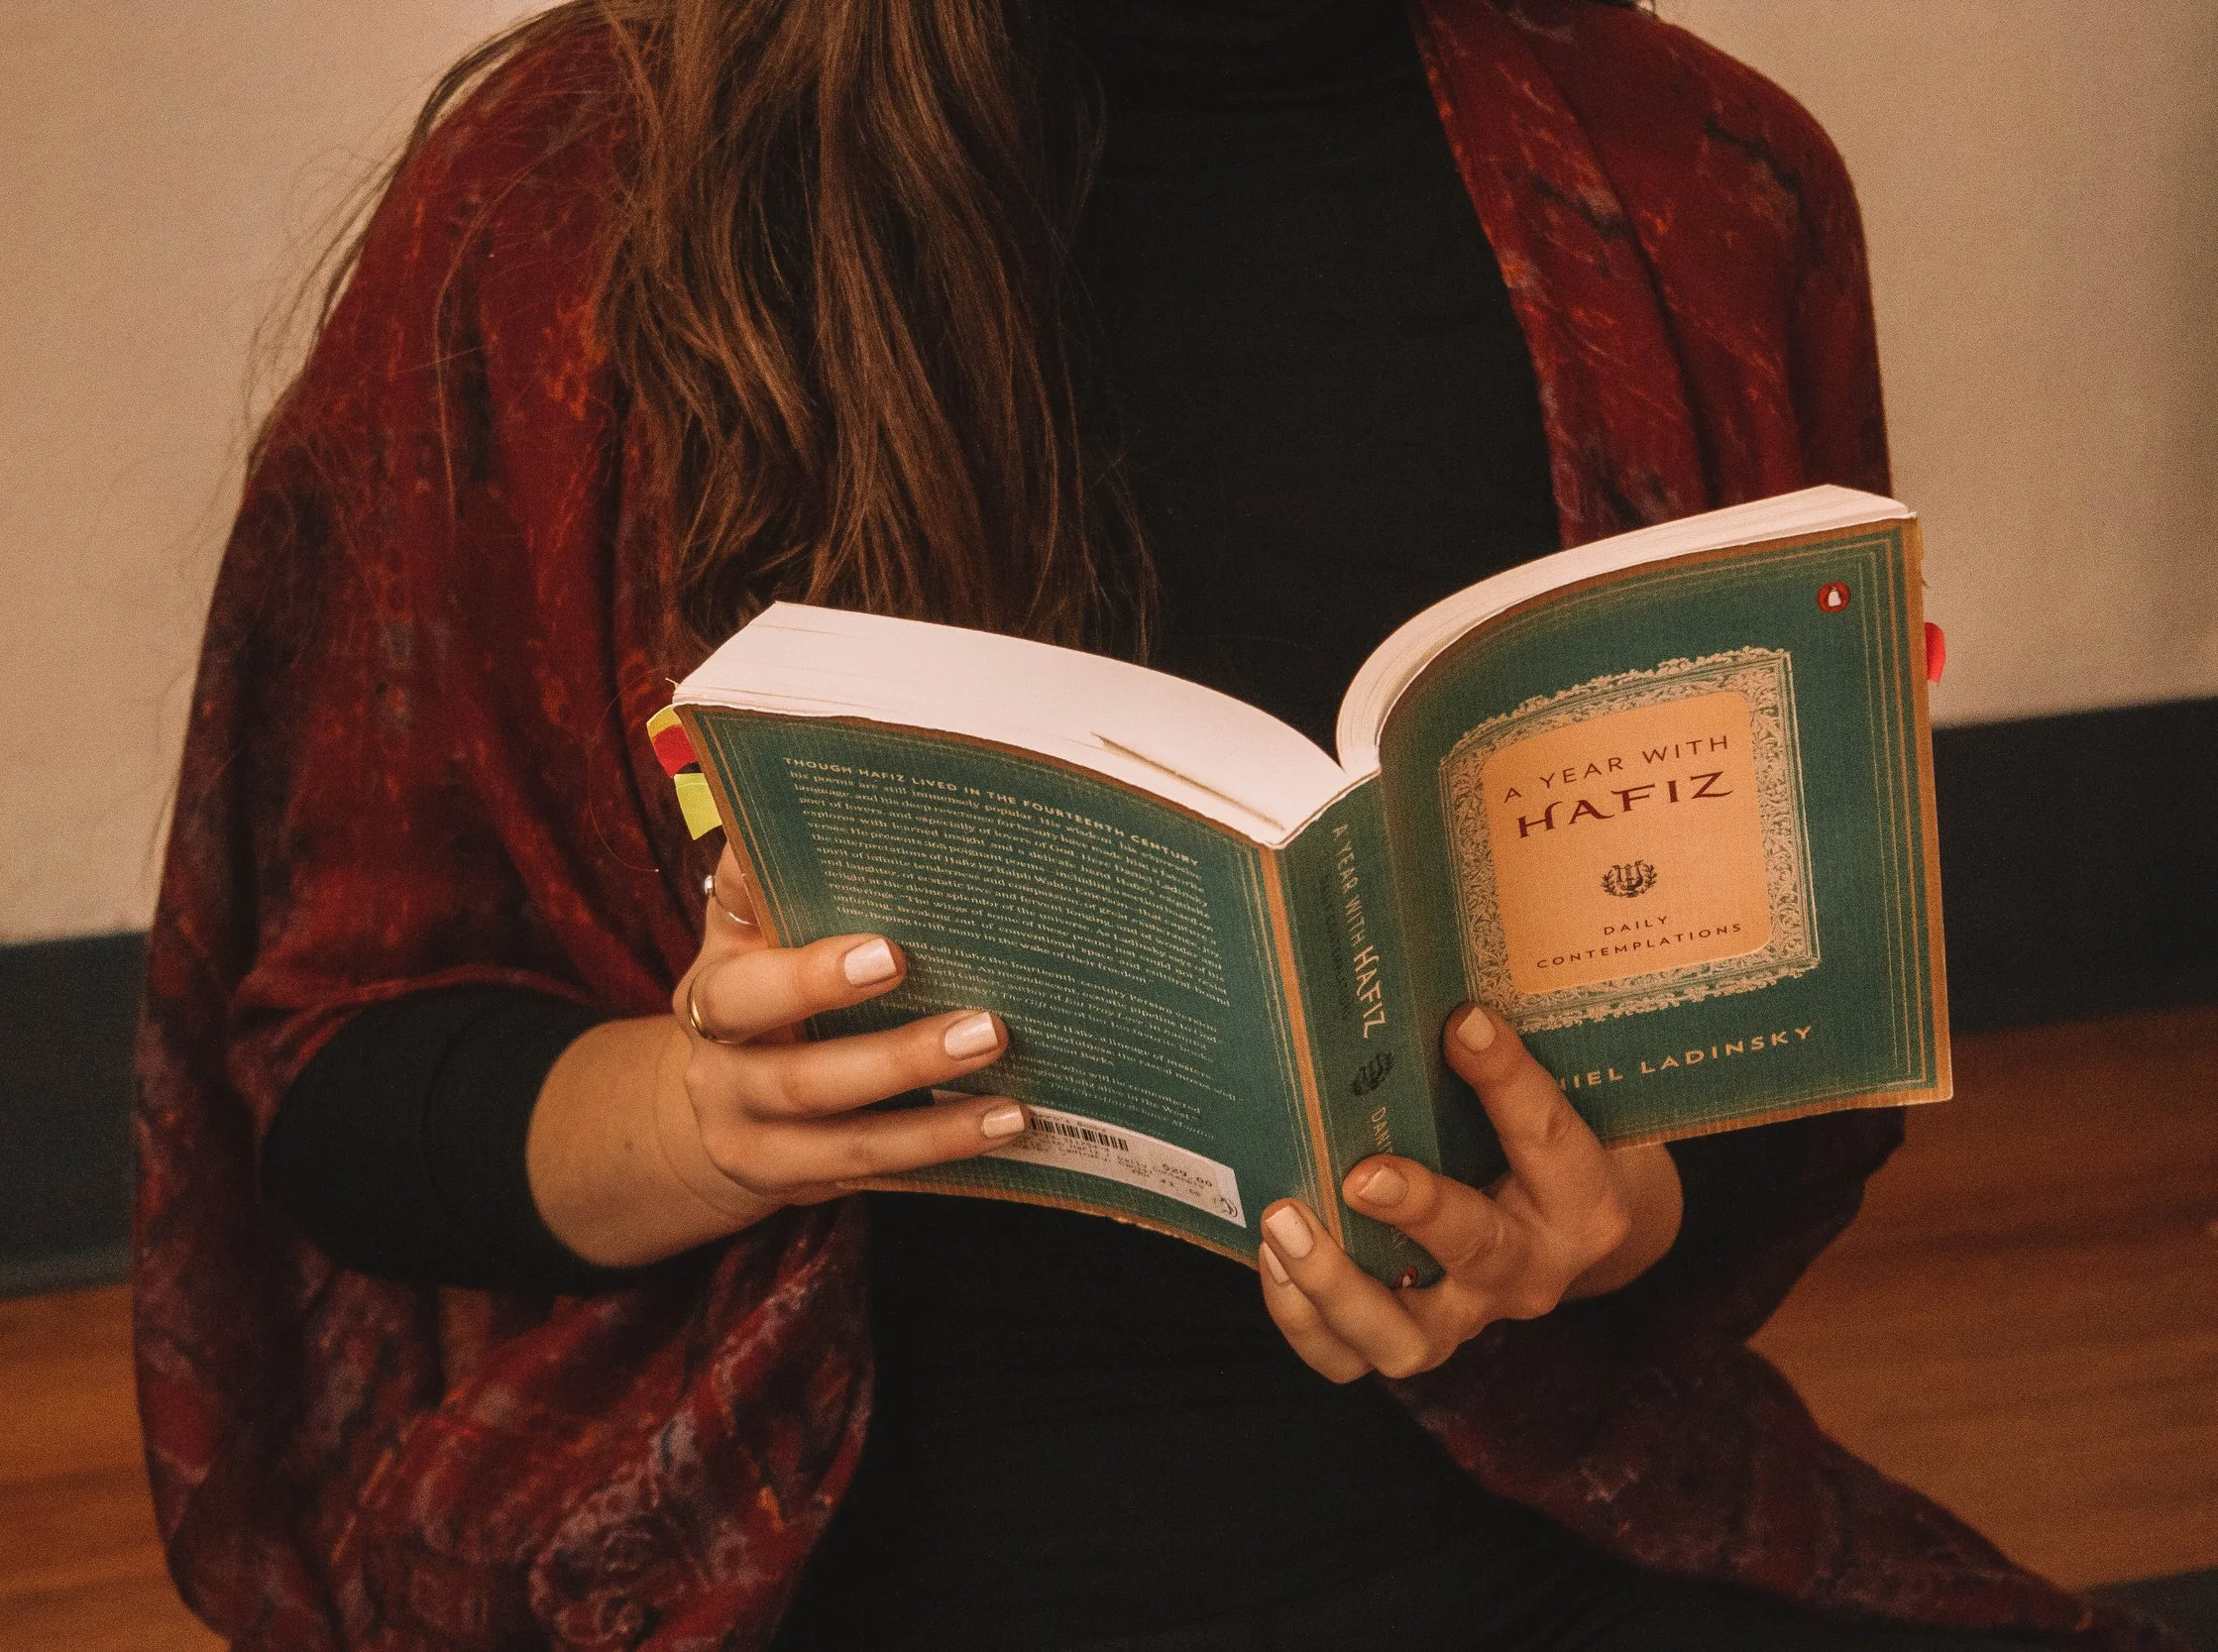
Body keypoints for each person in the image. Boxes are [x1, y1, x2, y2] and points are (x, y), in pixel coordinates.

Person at [133, 3, 2179, 1649]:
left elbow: (1786, 1091)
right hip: (772, 1579)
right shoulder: (566, 204)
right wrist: (698, 1113)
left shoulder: (1705, 191)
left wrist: (1607, 1219)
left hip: (1537, 1539)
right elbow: (335, 1084)